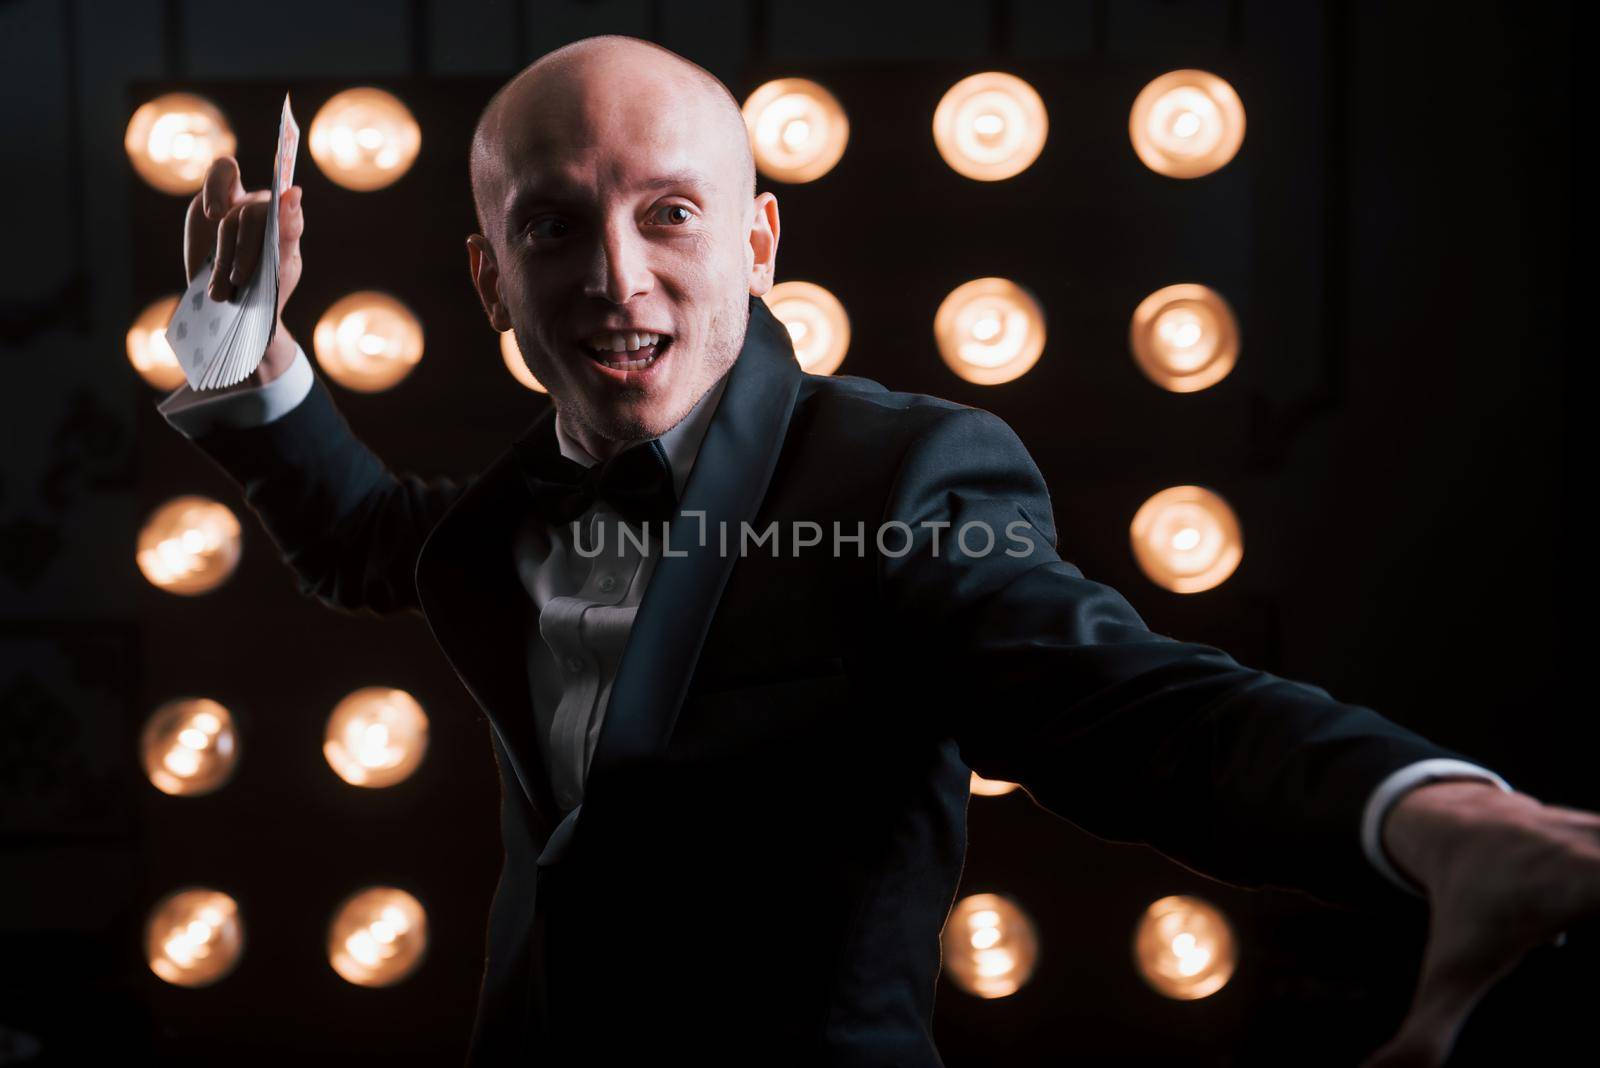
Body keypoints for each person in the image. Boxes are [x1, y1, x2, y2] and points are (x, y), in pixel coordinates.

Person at [156, 34, 1597, 1067]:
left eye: (670, 214)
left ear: (761, 242)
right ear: (490, 279)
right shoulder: (506, 514)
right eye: (552, 227)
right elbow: (362, 542)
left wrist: (1427, 814)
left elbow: (1121, 702)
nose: (614, 273)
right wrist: (249, 365)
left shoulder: (895, 474)